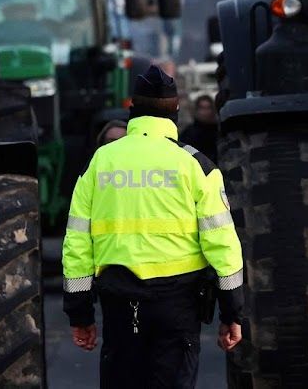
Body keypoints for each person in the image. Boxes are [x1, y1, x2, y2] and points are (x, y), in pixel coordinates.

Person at [62, 65, 244, 388]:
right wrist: (232, 313)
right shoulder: (196, 165)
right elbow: (223, 245)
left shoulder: (100, 162)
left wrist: (80, 315)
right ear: (175, 111)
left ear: (132, 109)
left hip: (120, 307)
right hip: (177, 308)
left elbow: (77, 243)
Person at [179, 95, 218, 162]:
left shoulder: (219, 132)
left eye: (208, 108)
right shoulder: (188, 133)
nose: (205, 112)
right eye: (202, 108)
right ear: (197, 110)